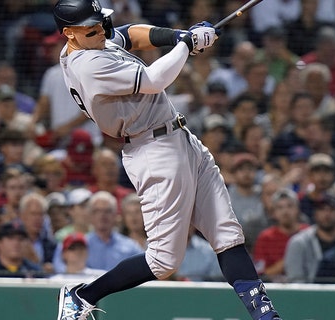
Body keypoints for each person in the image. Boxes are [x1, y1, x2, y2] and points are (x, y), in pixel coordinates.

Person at [52, 1, 281, 319]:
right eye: (93, 29)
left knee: (228, 236)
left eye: (101, 24)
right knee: (163, 261)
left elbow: (130, 34)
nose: (102, 32)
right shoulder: (87, 65)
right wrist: (186, 46)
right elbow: (153, 79)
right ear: (69, 34)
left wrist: (178, 36)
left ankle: (267, 316)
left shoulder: (90, 40)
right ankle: (81, 296)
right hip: (153, 150)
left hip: (180, 138)